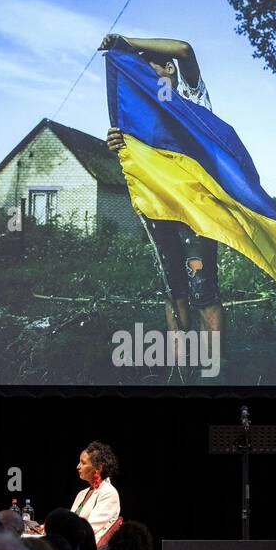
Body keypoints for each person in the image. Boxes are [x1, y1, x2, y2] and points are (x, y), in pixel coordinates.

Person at [102, 34, 223, 368]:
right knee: (173, 292)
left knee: (203, 292)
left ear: (168, 68)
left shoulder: (189, 97)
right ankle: (179, 367)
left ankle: (212, 370)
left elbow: (186, 49)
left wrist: (125, 43)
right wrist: (118, 145)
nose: (141, 71)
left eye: (148, 64)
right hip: (160, 212)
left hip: (197, 216)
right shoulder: (141, 114)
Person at [70, 441, 121, 549]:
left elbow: (89, 529)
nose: (78, 466)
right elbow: (70, 521)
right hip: (73, 545)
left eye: (83, 463)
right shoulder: (82, 494)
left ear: (99, 468)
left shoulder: (109, 493)